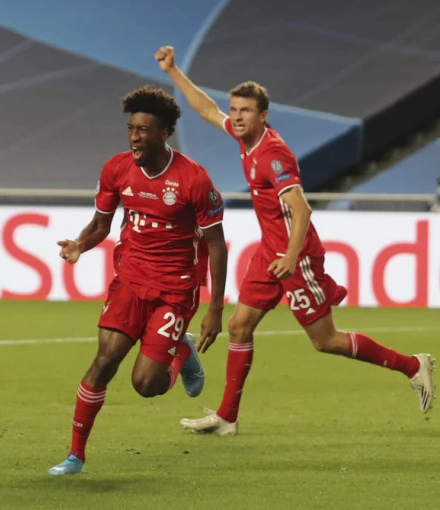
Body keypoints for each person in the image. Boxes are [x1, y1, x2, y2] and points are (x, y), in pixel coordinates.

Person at [155, 46, 435, 435]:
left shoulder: (274, 156)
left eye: (245, 110)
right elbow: (207, 110)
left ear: (263, 115)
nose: (236, 116)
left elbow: (302, 210)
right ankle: (227, 418)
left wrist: (290, 257)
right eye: (234, 109)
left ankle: (412, 365)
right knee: (239, 326)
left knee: (325, 340)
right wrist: (173, 71)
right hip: (270, 252)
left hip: (296, 256)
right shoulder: (246, 139)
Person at [47, 85, 228, 475]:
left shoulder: (193, 179)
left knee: (146, 385)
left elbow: (216, 245)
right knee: (103, 362)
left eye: (143, 130)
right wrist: (80, 244)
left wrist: (215, 309)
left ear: (164, 133)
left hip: (175, 289)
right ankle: (76, 455)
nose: (133, 137)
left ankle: (182, 353)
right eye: (130, 129)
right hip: (130, 280)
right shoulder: (116, 168)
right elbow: (101, 224)